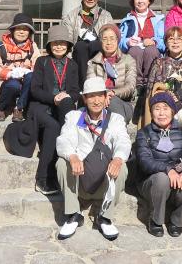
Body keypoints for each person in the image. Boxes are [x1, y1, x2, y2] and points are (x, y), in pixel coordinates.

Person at [55, 77, 132, 241]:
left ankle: (105, 217)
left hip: (105, 183)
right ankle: (74, 214)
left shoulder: (116, 119)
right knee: (62, 162)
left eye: (100, 96)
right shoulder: (74, 116)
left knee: (122, 166)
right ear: (84, 98)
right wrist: (73, 156)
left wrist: (118, 159)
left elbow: (123, 141)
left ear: (106, 98)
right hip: (80, 179)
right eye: (91, 96)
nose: (96, 101)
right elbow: (63, 140)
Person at [135, 90, 182, 238]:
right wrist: (168, 169)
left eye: (165, 108)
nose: (161, 113)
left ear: (172, 111)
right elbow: (144, 161)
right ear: (151, 112)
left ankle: (176, 221)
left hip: (177, 179)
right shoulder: (143, 133)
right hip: (151, 181)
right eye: (157, 109)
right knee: (162, 179)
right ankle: (155, 220)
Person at [26, 23, 81, 195]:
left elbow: (74, 91)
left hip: (63, 105)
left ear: (68, 45)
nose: (59, 46)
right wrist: (53, 98)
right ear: (49, 45)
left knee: (68, 110)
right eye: (55, 43)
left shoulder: (72, 65)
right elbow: (35, 90)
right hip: (42, 106)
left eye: (63, 43)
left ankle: (70, 158)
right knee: (54, 127)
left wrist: (65, 96)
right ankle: (42, 179)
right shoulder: (42, 62)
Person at [0, 14, 39, 122]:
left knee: (32, 76)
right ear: (13, 30)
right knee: (13, 84)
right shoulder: (1, 47)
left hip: (25, 84)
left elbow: (38, 64)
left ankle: (19, 109)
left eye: (25, 29)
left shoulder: (33, 47)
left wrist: (27, 70)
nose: (21, 32)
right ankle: (0, 108)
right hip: (5, 84)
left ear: (29, 32)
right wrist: (9, 73)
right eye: (18, 28)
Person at [59, 0, 114, 86]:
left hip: (99, 52)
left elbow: (110, 37)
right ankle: (84, 85)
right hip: (78, 55)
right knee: (80, 46)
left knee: (96, 43)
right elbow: (68, 40)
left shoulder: (106, 16)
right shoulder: (71, 16)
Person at [86, 23, 138, 120]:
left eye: (112, 38)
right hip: (99, 102)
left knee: (113, 102)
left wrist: (112, 93)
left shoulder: (128, 60)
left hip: (123, 102)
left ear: (117, 40)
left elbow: (130, 86)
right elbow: (91, 86)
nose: (108, 43)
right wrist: (103, 95)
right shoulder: (93, 62)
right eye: (104, 39)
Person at [119, 0, 165, 91]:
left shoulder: (158, 20)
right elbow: (119, 42)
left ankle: (150, 82)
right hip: (134, 51)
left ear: (149, 1)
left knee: (151, 50)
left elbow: (164, 43)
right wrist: (127, 42)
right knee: (135, 51)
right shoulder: (127, 20)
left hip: (152, 51)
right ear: (133, 2)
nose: (140, 1)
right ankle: (137, 83)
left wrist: (154, 41)